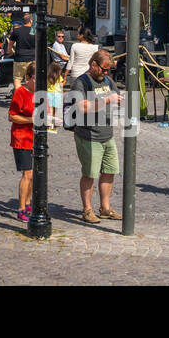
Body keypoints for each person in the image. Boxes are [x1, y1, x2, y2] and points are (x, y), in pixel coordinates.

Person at [69, 50, 121, 224]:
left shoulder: (108, 80)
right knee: (90, 174)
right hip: (89, 136)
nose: (106, 73)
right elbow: (82, 107)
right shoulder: (81, 82)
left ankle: (105, 208)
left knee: (109, 171)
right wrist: (106, 101)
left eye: (109, 70)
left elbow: (115, 96)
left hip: (108, 134)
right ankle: (87, 209)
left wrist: (119, 100)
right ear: (93, 65)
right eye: (104, 69)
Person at [9, 62, 37, 222]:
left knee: (33, 175)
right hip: (22, 138)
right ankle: (21, 208)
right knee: (28, 173)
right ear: (27, 78)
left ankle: (28, 204)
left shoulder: (41, 93)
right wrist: (30, 120)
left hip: (35, 138)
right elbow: (12, 116)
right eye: (35, 79)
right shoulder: (20, 92)